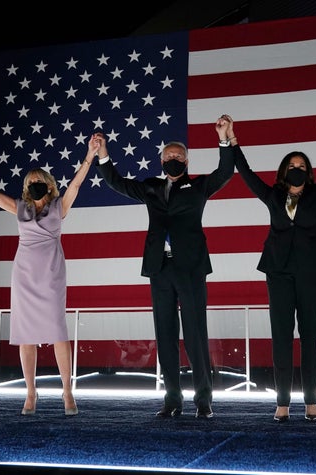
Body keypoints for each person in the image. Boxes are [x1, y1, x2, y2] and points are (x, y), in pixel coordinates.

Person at [93, 117, 235, 419]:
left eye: (178, 156)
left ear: (186, 160)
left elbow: (225, 172)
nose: (173, 159)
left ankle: (203, 400)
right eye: (168, 156)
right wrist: (103, 154)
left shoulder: (198, 187)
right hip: (159, 268)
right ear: (161, 160)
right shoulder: (151, 188)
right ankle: (172, 399)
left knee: (196, 334)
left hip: (191, 269)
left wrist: (225, 139)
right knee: (165, 334)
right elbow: (117, 182)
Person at [0, 135, 100, 416]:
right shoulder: (20, 208)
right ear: (26, 188)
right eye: (30, 182)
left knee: (58, 332)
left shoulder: (58, 206)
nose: (35, 185)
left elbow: (76, 183)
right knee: (26, 335)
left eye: (40, 180)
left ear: (49, 185)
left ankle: (67, 391)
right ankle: (30, 393)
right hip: (24, 276)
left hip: (51, 275)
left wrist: (89, 156)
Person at [229, 113, 316, 422]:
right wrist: (231, 139)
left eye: (302, 166)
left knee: (310, 336)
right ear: (284, 172)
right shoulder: (272, 196)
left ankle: (311, 400)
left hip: (313, 272)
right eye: (292, 166)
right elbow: (245, 171)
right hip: (279, 272)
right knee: (281, 336)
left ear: (308, 173)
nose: (297, 170)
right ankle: (282, 402)